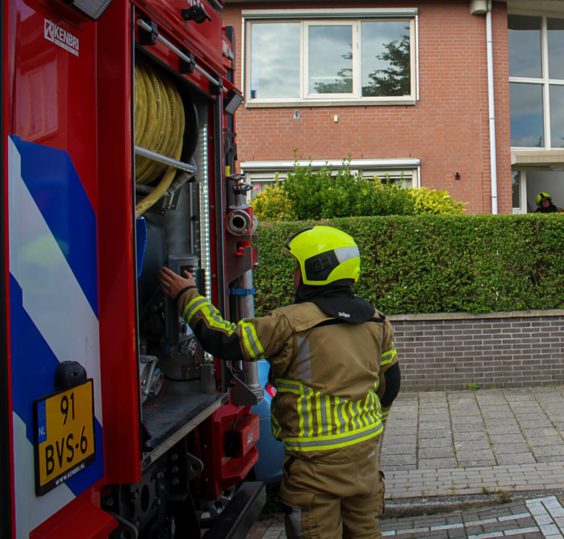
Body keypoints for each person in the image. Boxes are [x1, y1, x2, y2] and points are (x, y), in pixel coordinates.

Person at [159, 225, 400, 539]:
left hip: (315, 466)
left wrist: (186, 295)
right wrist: (375, 425)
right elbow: (390, 383)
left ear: (316, 270)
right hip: (364, 454)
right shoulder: (377, 321)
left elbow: (224, 340)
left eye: (296, 268)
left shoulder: (288, 323)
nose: (293, 277)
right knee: (365, 531)